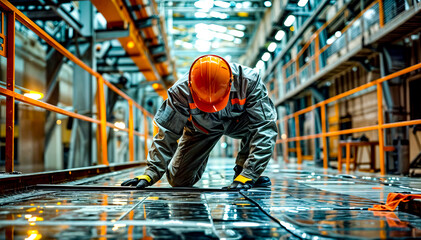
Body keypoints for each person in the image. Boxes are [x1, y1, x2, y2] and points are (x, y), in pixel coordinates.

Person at [121, 55, 278, 190]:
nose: (213, 110)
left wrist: (249, 174)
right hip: (202, 129)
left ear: (230, 83)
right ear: (191, 86)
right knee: (179, 180)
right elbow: (166, 134)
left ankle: (243, 170)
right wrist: (151, 173)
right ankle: (201, 154)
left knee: (260, 123)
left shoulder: (249, 82)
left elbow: (265, 128)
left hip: (239, 123)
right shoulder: (179, 93)